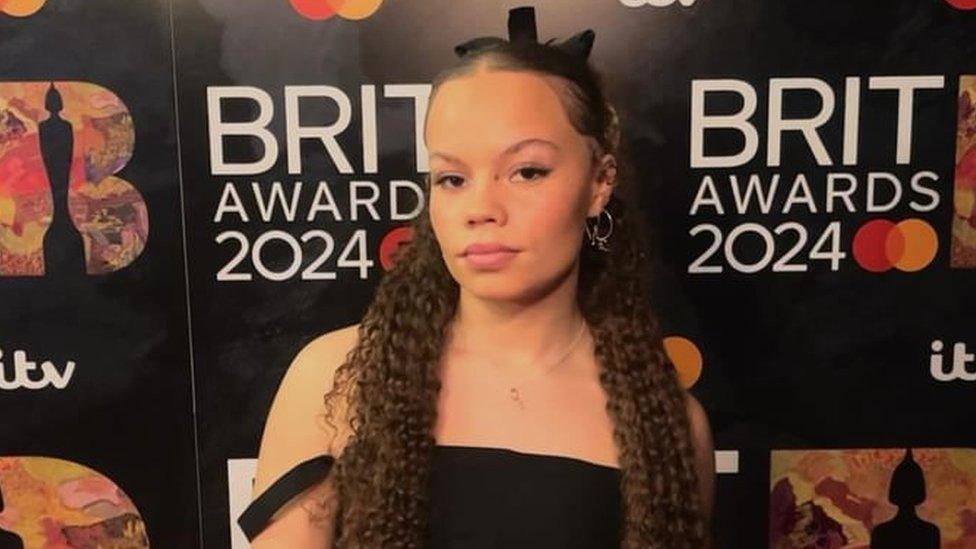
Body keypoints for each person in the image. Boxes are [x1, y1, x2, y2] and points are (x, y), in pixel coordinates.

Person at [240, 6, 715, 548]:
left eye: (527, 171)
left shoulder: (667, 425)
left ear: (600, 182)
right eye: (452, 178)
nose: (481, 207)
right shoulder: (337, 380)